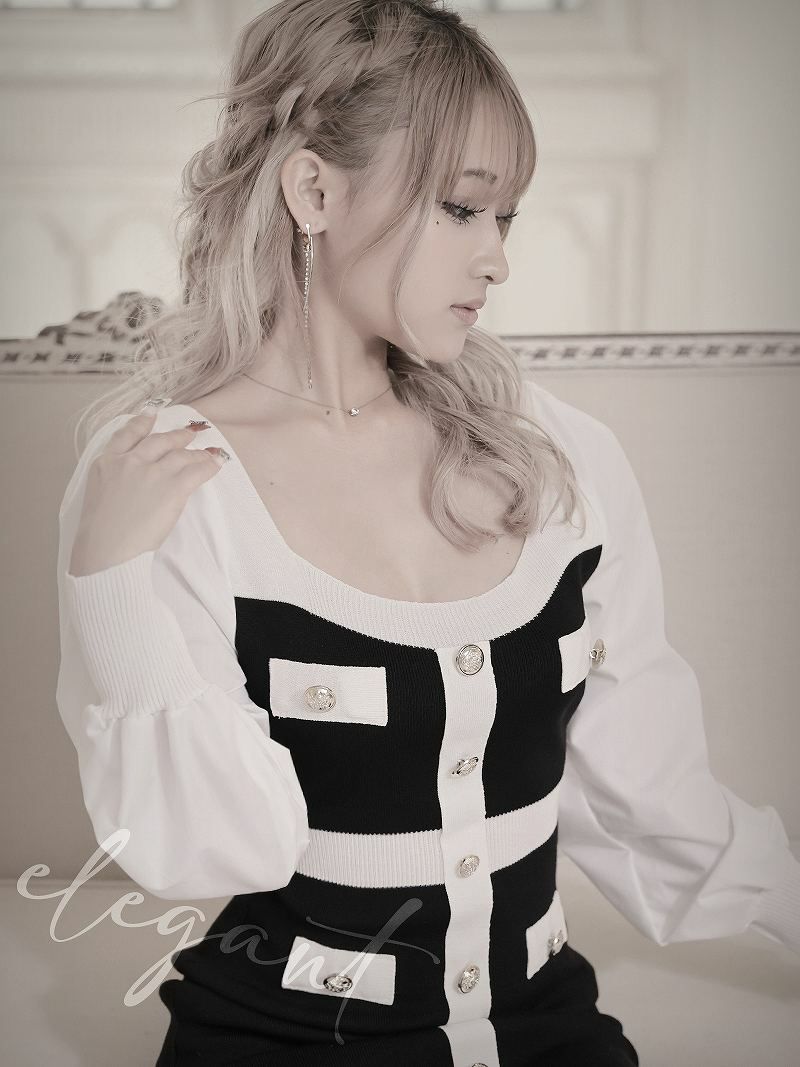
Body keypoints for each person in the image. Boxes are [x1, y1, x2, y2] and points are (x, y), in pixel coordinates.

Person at [55, 2, 799, 1064]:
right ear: (314, 191)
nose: (495, 259)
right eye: (461, 208)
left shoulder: (554, 452)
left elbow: (647, 790)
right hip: (276, 1037)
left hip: (544, 1028)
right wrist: (111, 587)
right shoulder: (165, 478)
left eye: (507, 219)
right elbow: (212, 849)